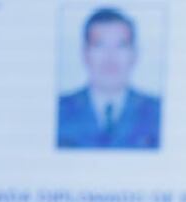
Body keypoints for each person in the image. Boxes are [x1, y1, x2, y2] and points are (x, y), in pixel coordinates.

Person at [57, 7, 161, 149]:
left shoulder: (157, 112)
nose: (110, 57)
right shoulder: (59, 110)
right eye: (99, 45)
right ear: (85, 53)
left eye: (121, 45)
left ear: (134, 54)